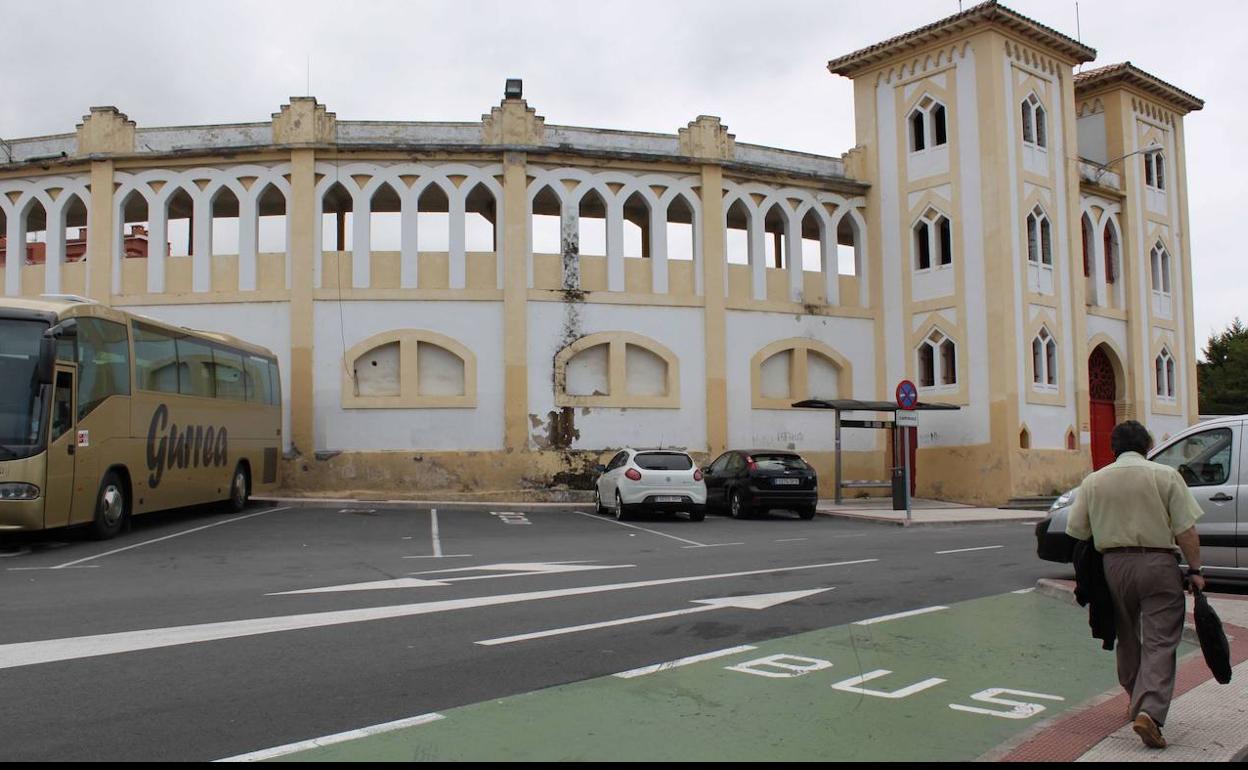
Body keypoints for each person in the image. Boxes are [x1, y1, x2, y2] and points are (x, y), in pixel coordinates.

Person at [1066, 420, 1205, 750]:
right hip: (1158, 562)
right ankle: (1151, 711)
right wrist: (1196, 569)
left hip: (1113, 565)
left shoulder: (1094, 481)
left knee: (1126, 634)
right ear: (1147, 446)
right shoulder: (1166, 476)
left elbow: (1077, 532)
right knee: (1161, 639)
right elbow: (1186, 530)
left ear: (1114, 449)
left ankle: (1135, 700)